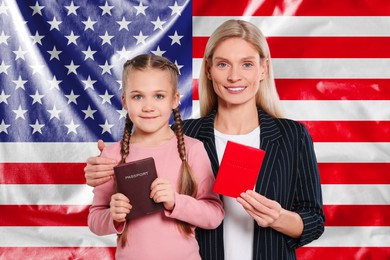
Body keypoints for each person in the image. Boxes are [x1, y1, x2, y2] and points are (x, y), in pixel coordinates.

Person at [85, 20, 325, 259]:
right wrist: (98, 171)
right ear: (208, 69)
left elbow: (314, 220)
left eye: (247, 64)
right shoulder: (185, 137)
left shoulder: (292, 136)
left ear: (263, 69)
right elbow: (141, 147)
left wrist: (279, 218)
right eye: (223, 64)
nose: (234, 76)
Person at [87, 54, 224, 260]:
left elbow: (214, 214)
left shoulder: (193, 149)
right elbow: (95, 220)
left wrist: (176, 202)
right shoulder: (112, 154)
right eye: (138, 96)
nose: (148, 106)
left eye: (159, 96)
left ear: (175, 100)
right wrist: (113, 215)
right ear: (125, 100)